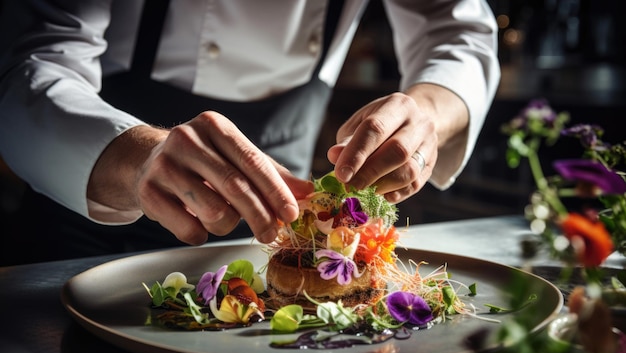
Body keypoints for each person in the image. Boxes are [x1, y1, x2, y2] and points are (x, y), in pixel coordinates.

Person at [0, 0, 500, 266]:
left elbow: (455, 28)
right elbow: (24, 63)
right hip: (88, 215)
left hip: (278, 235)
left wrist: (429, 112)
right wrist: (139, 158)